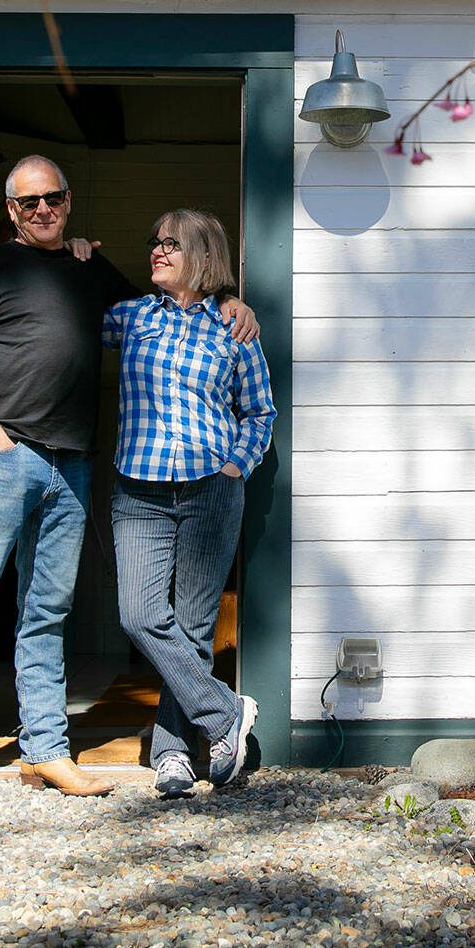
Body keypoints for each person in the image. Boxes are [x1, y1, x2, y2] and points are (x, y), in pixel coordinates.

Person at [0, 158, 255, 807]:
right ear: (11, 211)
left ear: (69, 201)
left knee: (47, 613)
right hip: (5, 459)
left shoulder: (87, 267)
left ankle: (46, 751)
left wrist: (227, 301)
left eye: (55, 198)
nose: (44, 209)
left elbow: (166, 314)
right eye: (30, 202)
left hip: (72, 466)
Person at [103, 209, 276, 797]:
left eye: (171, 244)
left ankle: (173, 754)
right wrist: (72, 249)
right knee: (142, 616)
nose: (157, 250)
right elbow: (65, 324)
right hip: (139, 490)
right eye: (155, 242)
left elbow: (259, 411)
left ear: (202, 258)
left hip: (211, 489)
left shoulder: (234, 328)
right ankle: (227, 714)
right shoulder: (127, 319)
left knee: (195, 627)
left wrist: (236, 466)